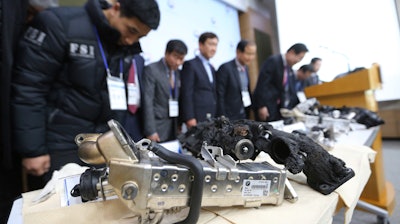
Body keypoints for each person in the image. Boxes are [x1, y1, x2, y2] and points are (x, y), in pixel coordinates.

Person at [11, 0, 160, 190]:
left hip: (101, 146)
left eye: (140, 36)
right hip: (60, 143)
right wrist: (32, 150)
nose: (132, 40)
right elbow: (29, 87)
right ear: (115, 8)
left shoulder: (123, 46)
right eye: (131, 30)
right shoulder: (59, 24)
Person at [142, 39, 188, 142]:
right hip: (157, 126)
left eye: (181, 59)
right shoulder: (152, 69)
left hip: (173, 126)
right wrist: (151, 130)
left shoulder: (178, 73)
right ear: (166, 53)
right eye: (175, 57)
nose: (178, 62)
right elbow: (147, 101)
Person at [253, 43, 308, 122]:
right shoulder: (274, 61)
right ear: (292, 52)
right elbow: (262, 84)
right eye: (299, 58)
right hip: (266, 105)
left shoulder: (289, 69)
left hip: (277, 107)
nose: (298, 61)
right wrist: (262, 106)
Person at [180, 32, 218, 129]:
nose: (213, 48)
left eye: (215, 45)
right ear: (200, 45)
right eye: (210, 44)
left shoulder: (212, 68)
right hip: (196, 117)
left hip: (212, 116)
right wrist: (189, 117)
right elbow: (186, 93)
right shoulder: (190, 64)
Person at [216, 40, 256, 120]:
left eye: (253, 54)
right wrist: (222, 117)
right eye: (248, 54)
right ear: (238, 52)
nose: (251, 57)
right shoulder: (225, 68)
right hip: (230, 115)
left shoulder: (246, 68)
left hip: (244, 112)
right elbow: (220, 94)